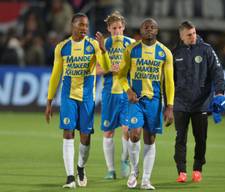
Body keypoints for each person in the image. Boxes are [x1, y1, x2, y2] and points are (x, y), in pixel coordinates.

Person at [45, 13, 110, 188]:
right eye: (81, 25)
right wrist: (49, 102)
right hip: (68, 96)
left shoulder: (93, 45)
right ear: (72, 25)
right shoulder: (62, 47)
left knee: (85, 137)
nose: (84, 28)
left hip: (87, 97)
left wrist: (103, 50)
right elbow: (55, 75)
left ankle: (81, 167)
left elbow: (106, 66)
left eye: (86, 25)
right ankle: (70, 177)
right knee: (67, 132)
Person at [118, 18, 175, 190]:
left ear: (157, 31)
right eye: (146, 27)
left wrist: (170, 107)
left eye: (152, 27)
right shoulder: (131, 50)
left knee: (150, 139)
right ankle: (134, 172)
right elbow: (121, 76)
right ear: (141, 30)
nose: (149, 29)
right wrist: (128, 90)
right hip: (136, 100)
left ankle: (146, 180)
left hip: (154, 101)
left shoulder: (165, 53)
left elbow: (169, 82)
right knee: (134, 134)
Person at [172, 20, 225, 183]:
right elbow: (169, 79)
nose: (193, 36)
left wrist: (219, 92)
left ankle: (197, 169)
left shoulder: (206, 50)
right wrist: (167, 102)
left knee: (200, 138)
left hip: (201, 103)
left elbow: (217, 71)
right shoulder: (175, 52)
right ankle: (181, 171)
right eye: (189, 34)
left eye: (194, 33)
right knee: (180, 138)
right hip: (180, 102)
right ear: (181, 36)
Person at [96, 11, 135, 179]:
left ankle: (124, 160)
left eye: (120, 27)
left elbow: (138, 68)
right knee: (109, 132)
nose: (117, 31)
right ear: (108, 29)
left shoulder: (132, 44)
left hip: (127, 92)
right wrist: (110, 68)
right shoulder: (103, 45)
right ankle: (110, 170)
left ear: (124, 27)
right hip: (109, 93)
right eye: (114, 28)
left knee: (127, 130)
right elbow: (95, 69)